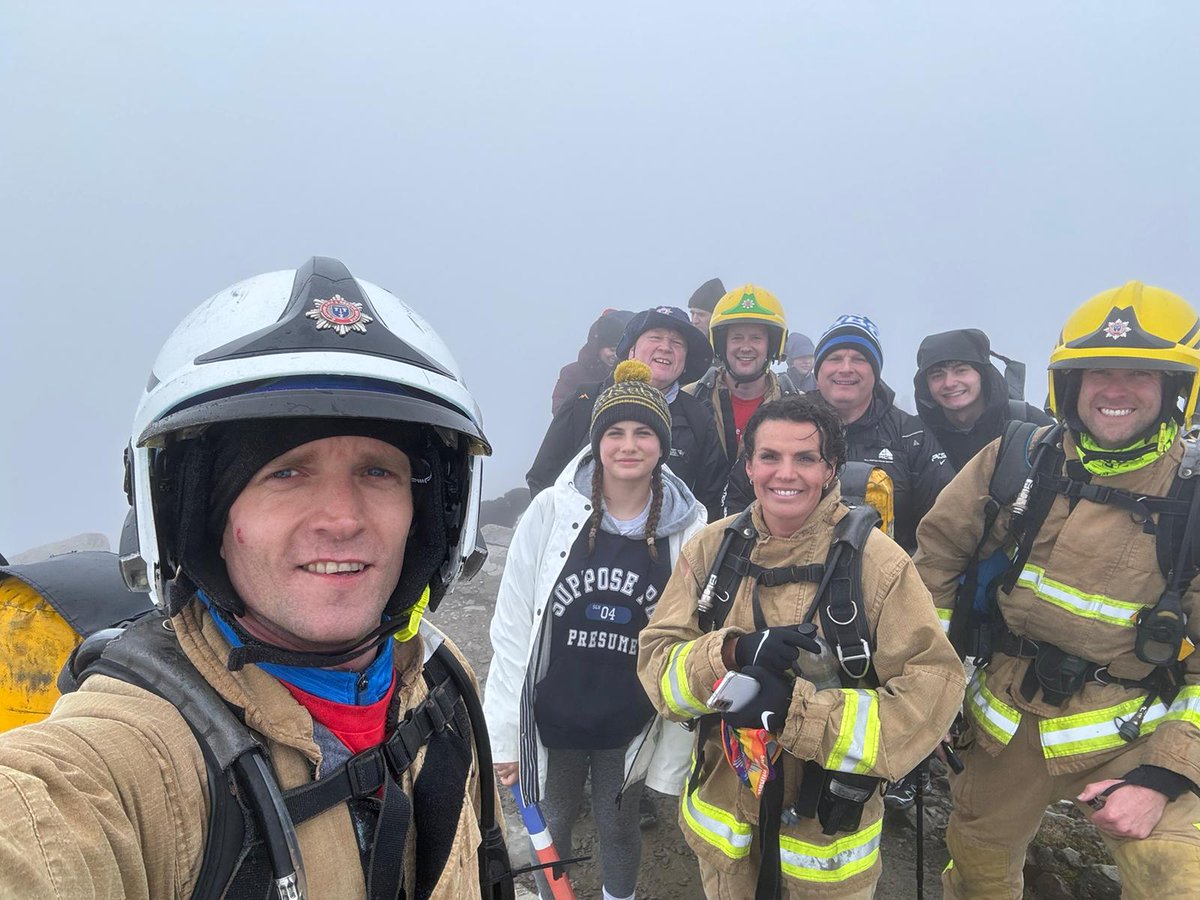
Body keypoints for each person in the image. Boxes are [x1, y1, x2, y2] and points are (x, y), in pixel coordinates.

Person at [0, 257, 503, 898]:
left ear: (431, 512)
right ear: (200, 516)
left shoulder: (438, 678)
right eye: (287, 473)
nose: (344, 519)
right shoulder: (142, 759)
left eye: (379, 471)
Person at [915, 281, 1200, 898]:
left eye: (1140, 374)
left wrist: (1163, 777)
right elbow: (934, 563)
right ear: (1069, 384)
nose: (1114, 389)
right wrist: (927, 692)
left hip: (1135, 730)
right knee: (977, 869)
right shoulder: (1017, 457)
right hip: (1002, 716)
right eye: (1097, 373)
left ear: (1177, 388)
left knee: (1178, 878)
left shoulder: (1194, 499)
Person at [638, 393, 965, 897]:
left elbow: (932, 696)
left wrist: (795, 713)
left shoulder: (879, 564)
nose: (785, 474)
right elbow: (658, 671)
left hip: (827, 851)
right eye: (769, 457)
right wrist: (731, 654)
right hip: (727, 835)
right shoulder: (710, 549)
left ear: (830, 468)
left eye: (805, 458)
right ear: (748, 466)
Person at [485, 361, 706, 900]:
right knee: (551, 821)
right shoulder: (550, 513)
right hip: (554, 713)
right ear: (597, 442)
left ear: (663, 445)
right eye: (615, 432)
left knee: (618, 824)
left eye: (643, 433)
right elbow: (514, 627)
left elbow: (691, 640)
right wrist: (505, 734)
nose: (628, 445)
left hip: (629, 720)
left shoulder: (692, 529)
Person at [527, 306, 727, 521]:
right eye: (655, 337)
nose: (665, 347)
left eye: (677, 343)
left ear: (686, 359)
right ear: (631, 350)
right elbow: (543, 478)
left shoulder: (699, 417)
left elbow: (709, 501)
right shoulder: (583, 401)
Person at [684, 284, 796, 467]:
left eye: (756, 338)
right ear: (722, 344)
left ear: (772, 345)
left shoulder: (797, 407)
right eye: (736, 337)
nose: (745, 347)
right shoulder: (691, 398)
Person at [914, 328, 1051, 470]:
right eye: (937, 375)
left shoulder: (1029, 422)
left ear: (983, 375)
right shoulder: (914, 437)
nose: (949, 383)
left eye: (961, 371)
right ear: (925, 385)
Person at [551, 312, 628, 414]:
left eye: (619, 350)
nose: (615, 355)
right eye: (612, 349)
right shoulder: (572, 374)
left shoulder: (624, 375)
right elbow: (560, 411)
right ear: (597, 348)